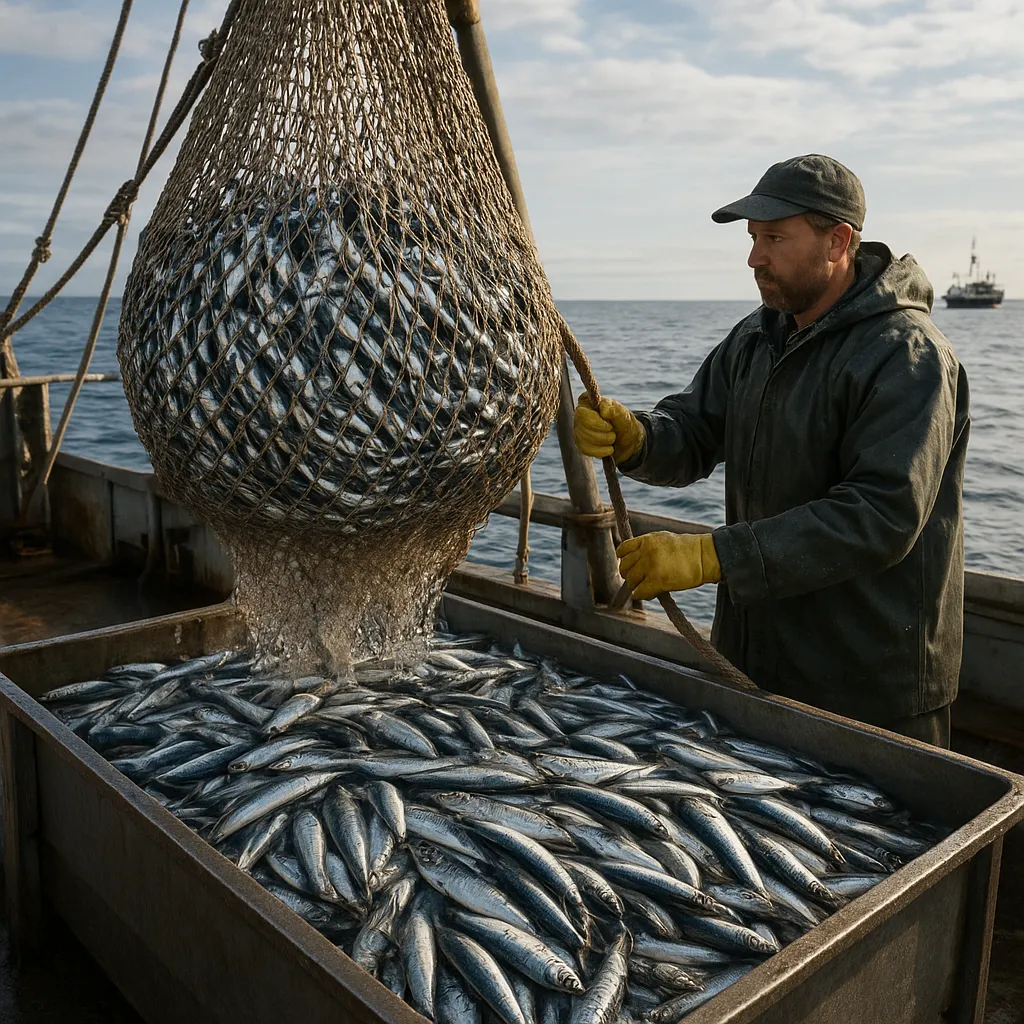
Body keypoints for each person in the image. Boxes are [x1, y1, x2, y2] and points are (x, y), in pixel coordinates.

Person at [573, 154, 969, 748]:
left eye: (775, 238)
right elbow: (695, 429)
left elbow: (882, 516)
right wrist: (641, 438)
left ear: (839, 241)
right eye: (754, 238)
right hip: (756, 667)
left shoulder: (908, 356)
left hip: (868, 692)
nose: (754, 257)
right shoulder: (757, 337)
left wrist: (715, 558)